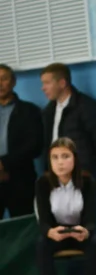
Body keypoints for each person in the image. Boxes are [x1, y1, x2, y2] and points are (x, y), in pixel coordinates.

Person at [35, 137, 96, 275]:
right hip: (56, 233)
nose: (60, 162)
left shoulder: (88, 182)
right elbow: (43, 220)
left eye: (65, 156)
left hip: (81, 232)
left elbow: (91, 217)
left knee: (95, 244)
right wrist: (49, 232)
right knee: (41, 246)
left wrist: (85, 231)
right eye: (55, 157)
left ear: (75, 159)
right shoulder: (43, 183)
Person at [40, 63, 96, 184]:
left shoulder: (86, 107)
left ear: (62, 83)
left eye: (47, 83)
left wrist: (90, 172)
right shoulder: (48, 112)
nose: (43, 88)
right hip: (56, 179)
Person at [0, 64, 44, 219]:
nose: (0, 83)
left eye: (4, 79)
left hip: (20, 181)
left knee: (23, 231)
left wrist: (4, 163)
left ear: (13, 82)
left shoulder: (29, 111)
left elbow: (35, 145)